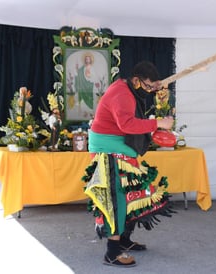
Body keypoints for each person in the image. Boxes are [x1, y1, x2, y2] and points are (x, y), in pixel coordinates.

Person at [82, 61, 175, 267]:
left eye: (152, 87)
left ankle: (124, 239)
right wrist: (159, 123)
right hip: (108, 150)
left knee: (134, 192)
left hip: (120, 147)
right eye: (148, 87)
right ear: (136, 80)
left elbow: (141, 96)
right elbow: (127, 124)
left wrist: (155, 86)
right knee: (117, 199)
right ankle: (112, 252)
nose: (150, 91)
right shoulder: (122, 94)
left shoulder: (129, 87)